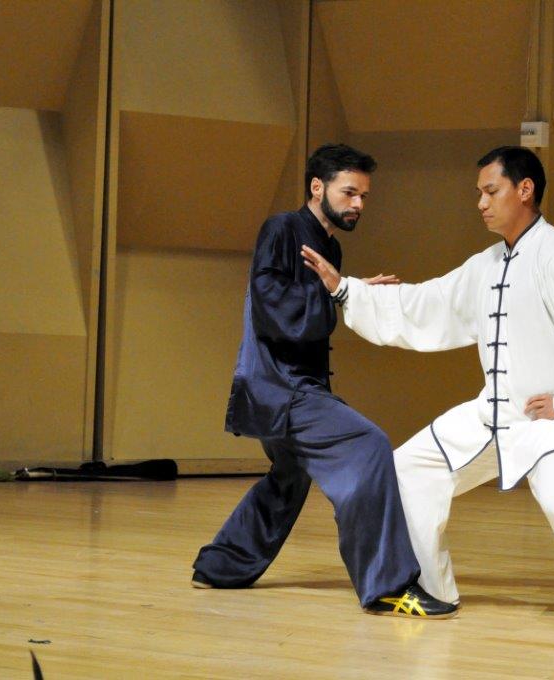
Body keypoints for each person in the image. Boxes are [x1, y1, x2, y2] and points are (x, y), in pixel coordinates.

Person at [301, 146, 554, 648]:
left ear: (524, 190)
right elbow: (429, 303)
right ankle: (431, 589)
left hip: (552, 422)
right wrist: (347, 291)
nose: (481, 203)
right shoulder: (487, 263)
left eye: (490, 191)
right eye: (479, 194)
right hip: (493, 414)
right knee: (409, 469)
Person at [191, 143, 457, 619]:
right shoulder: (282, 229)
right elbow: (274, 309)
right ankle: (388, 586)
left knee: (288, 477)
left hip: (294, 387)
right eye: (350, 192)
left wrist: (349, 289)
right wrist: (335, 293)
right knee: (369, 447)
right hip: (281, 388)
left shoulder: (328, 244)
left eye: (364, 196)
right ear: (317, 187)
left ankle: (220, 564)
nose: (358, 204)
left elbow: (315, 298)